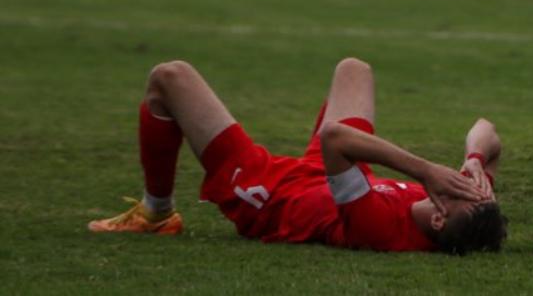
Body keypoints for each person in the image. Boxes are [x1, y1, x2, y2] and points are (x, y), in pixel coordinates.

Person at [88, 57, 507, 254]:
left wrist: (425, 169)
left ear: (438, 216)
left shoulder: (379, 230)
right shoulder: (459, 210)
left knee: (168, 78)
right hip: (327, 175)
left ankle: (156, 213)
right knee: (354, 69)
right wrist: (473, 158)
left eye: (461, 190)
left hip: (266, 193)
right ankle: (155, 213)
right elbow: (487, 131)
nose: (466, 185)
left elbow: (334, 138)